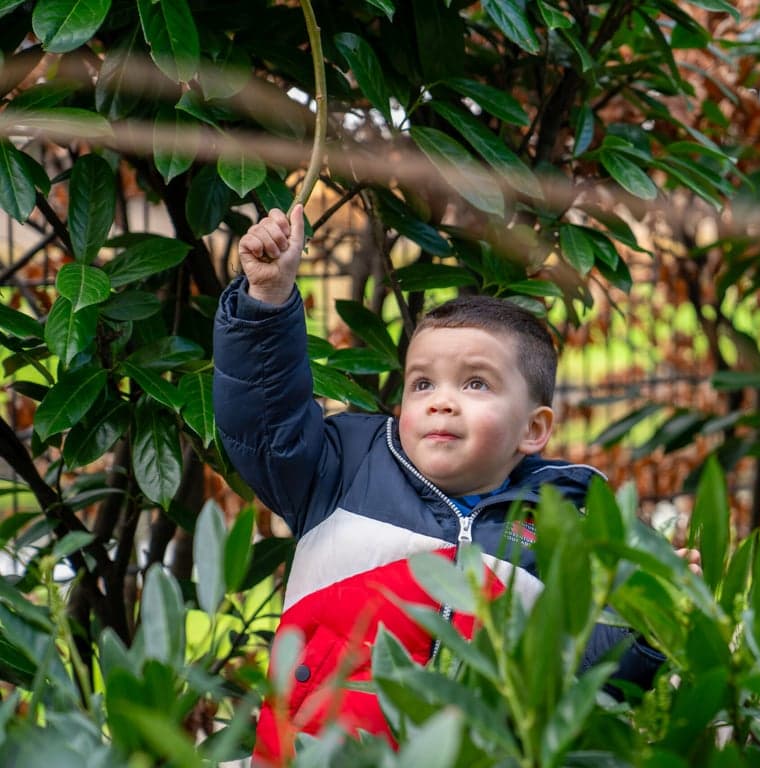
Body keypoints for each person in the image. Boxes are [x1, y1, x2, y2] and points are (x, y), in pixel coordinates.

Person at [212, 205, 671, 766]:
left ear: (533, 429)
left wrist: (654, 625)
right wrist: (267, 300)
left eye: (476, 382)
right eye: (422, 381)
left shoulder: (560, 525)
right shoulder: (341, 469)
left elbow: (577, 669)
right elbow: (264, 421)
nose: (441, 399)